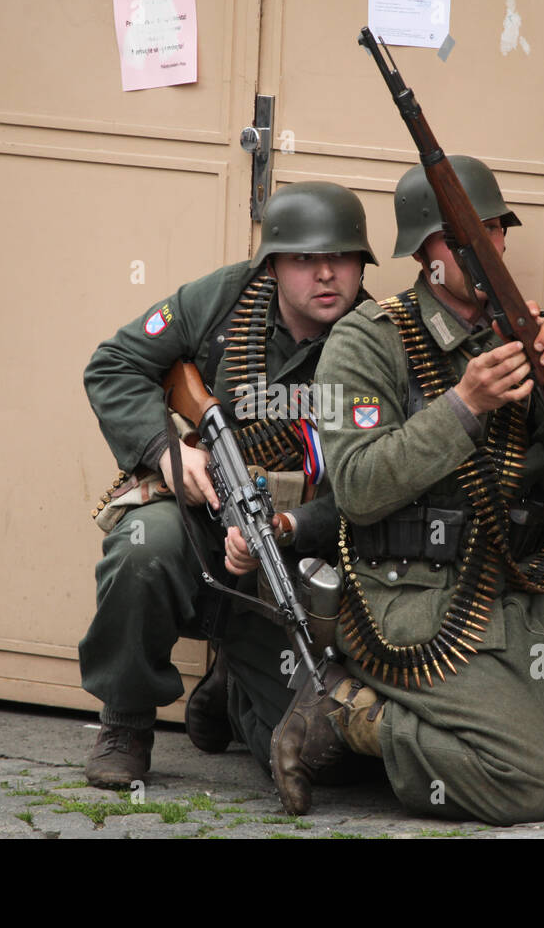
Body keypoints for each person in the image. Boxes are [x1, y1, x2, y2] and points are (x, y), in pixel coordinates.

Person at [270, 155, 544, 824]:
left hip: (525, 580)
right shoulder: (370, 343)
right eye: (462, 238)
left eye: (493, 230)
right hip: (422, 599)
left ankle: (508, 713)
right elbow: (361, 489)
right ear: (422, 252)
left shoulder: (520, 331)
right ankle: (348, 718)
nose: (486, 249)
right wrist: (463, 404)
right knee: (537, 784)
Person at [80, 181, 377, 787]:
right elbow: (113, 365)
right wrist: (167, 455)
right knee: (143, 548)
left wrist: (295, 526)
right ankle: (126, 722)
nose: (326, 275)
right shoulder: (223, 302)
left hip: (303, 542)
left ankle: (233, 692)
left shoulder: (377, 337)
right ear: (272, 262)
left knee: (308, 756)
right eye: (304, 259)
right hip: (205, 509)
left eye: (341, 258)